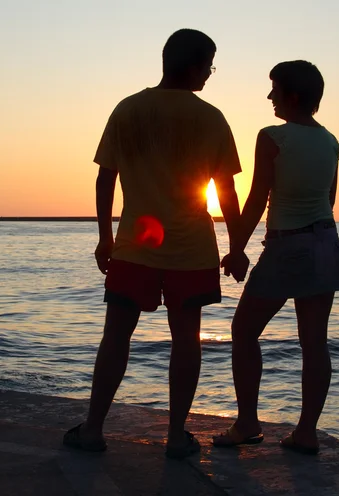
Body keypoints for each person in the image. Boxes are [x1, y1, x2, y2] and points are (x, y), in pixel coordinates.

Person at [63, 29, 248, 459]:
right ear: (193, 66)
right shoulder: (212, 118)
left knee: (116, 338)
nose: (210, 73)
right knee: (187, 339)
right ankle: (176, 435)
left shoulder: (128, 109)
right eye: (209, 65)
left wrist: (105, 237)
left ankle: (92, 429)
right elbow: (227, 192)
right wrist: (237, 245)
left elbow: (105, 177)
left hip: (134, 247)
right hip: (191, 250)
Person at [213, 60, 339, 455]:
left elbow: (257, 197)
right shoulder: (331, 141)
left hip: (288, 246)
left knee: (243, 331)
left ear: (291, 95)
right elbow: (330, 201)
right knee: (315, 344)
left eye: (274, 89)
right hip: (326, 243)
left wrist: (237, 249)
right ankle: (306, 432)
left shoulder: (272, 137)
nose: (269, 96)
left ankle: (247, 422)